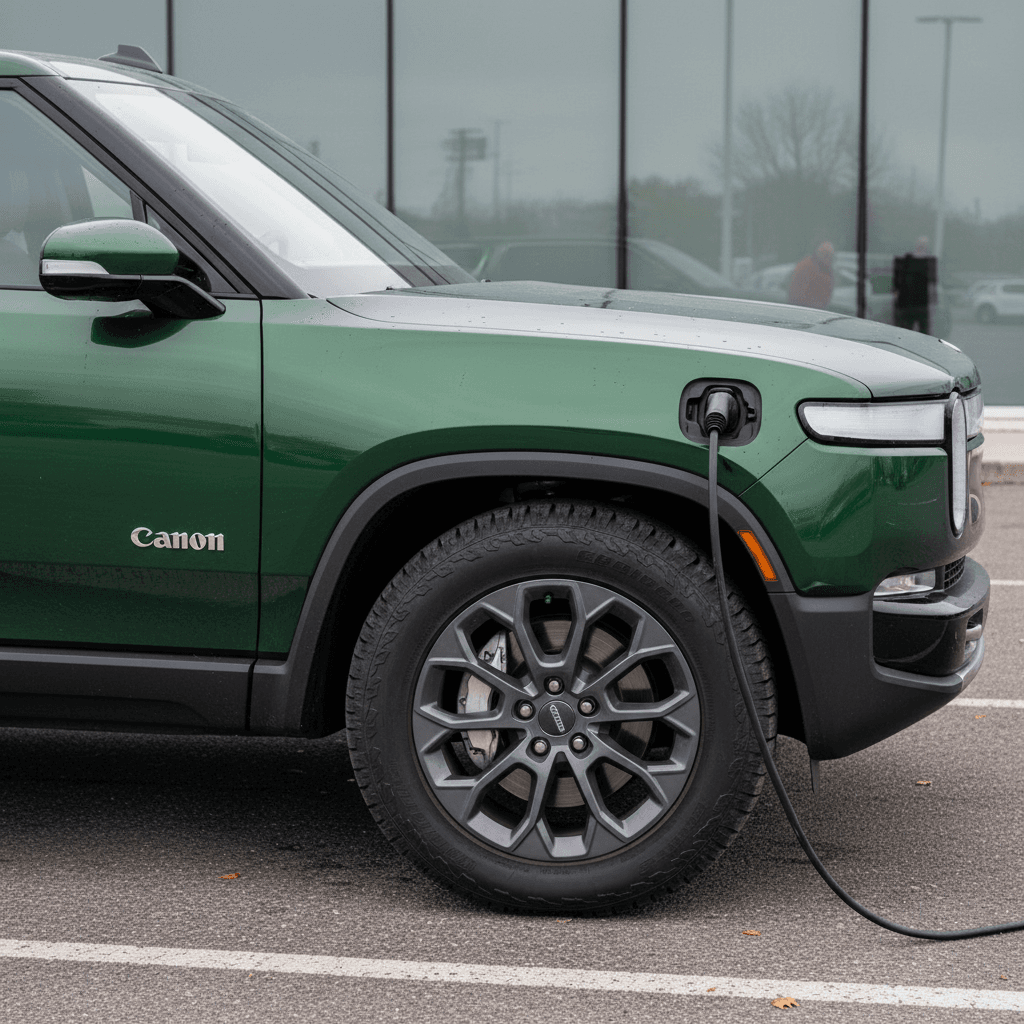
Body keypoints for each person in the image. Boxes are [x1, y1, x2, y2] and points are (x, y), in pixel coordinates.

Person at [892, 236, 937, 333]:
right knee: (909, 331)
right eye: (921, 245)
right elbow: (897, 285)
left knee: (918, 332)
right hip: (909, 305)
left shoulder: (927, 263)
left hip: (917, 305)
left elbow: (932, 286)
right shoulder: (908, 262)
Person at [787, 241, 834, 309]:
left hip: (818, 310)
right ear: (819, 253)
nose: (828, 258)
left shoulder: (827, 270)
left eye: (829, 256)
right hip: (804, 308)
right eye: (825, 254)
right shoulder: (806, 266)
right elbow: (796, 291)